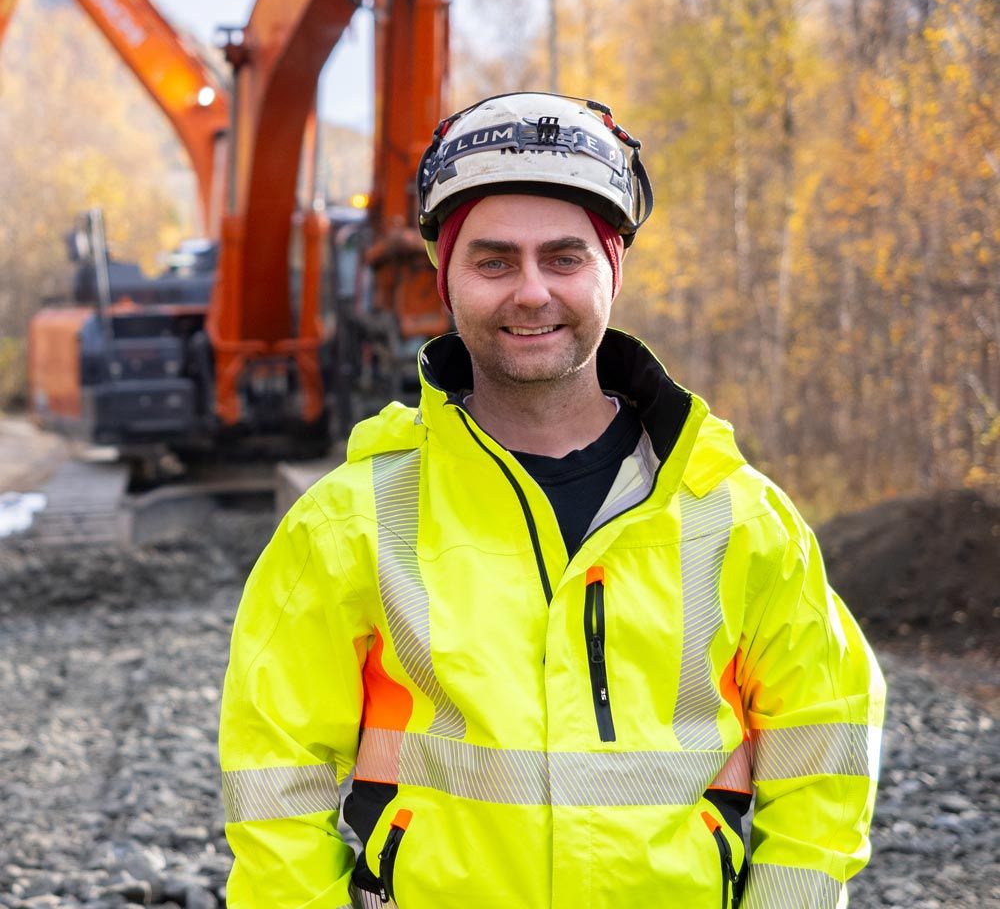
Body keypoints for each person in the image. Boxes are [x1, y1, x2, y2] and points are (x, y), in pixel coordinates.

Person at [219, 92, 885, 909]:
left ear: (614, 267)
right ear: (445, 276)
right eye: (494, 261)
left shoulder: (737, 516)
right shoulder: (347, 524)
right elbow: (275, 785)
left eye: (564, 258)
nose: (531, 292)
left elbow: (827, 753)